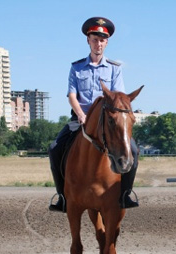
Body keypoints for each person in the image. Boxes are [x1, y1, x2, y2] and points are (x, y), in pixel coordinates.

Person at [48, 17, 139, 212]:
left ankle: (125, 194)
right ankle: (62, 196)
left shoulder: (115, 68)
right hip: (80, 119)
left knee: (134, 150)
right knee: (55, 148)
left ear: (107, 43)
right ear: (88, 41)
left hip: (107, 121)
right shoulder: (77, 67)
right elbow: (72, 95)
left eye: (102, 40)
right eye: (95, 39)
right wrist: (81, 114)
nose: (98, 43)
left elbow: (119, 96)